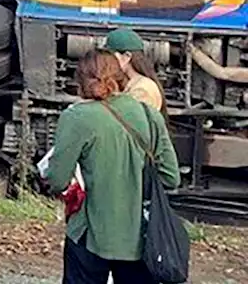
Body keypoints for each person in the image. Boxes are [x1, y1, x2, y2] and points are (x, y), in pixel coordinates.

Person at [44, 50, 180, 284]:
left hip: (91, 235)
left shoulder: (77, 118)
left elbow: (57, 180)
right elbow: (171, 177)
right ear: (119, 77)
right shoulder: (149, 115)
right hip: (141, 237)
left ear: (81, 81)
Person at [102, 28, 165, 114]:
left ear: (127, 56)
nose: (106, 61)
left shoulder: (143, 89)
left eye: (110, 56)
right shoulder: (134, 84)